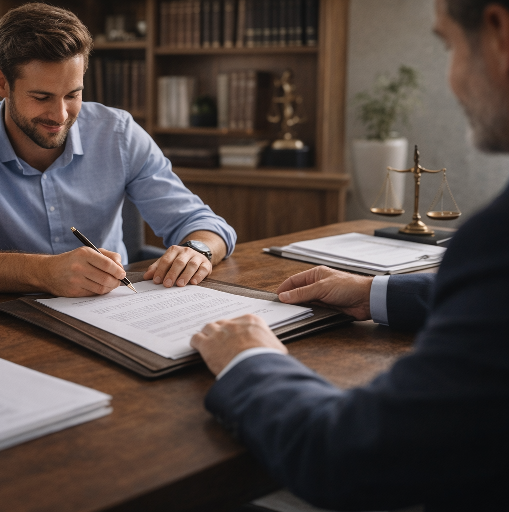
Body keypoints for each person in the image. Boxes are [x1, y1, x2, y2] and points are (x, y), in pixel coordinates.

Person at [189, 1, 509, 510]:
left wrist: (250, 360)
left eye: (447, 46)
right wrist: (373, 292)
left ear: (499, 33)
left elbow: (349, 457)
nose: (450, 78)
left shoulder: (495, 238)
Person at [0, 3, 237, 297]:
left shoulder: (117, 133)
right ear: (2, 82)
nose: (61, 115)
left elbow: (204, 224)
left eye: (72, 94)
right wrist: (45, 273)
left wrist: (197, 250)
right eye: (42, 97)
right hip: (5, 320)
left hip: (113, 312)